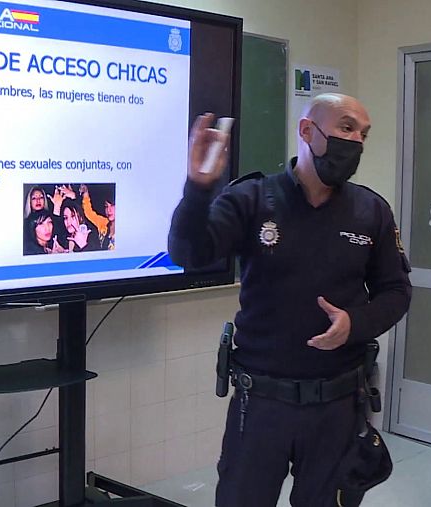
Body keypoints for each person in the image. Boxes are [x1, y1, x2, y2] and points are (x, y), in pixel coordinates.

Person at [168, 93, 412, 506]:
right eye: (347, 128)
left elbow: (397, 291)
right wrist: (198, 189)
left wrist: (356, 323)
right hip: (262, 403)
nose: (357, 142)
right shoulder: (252, 199)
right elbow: (190, 255)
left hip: (338, 405)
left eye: (364, 134)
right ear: (306, 131)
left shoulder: (371, 211)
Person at [80, 184, 116, 250]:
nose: (109, 210)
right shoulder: (103, 222)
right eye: (106, 206)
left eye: (112, 205)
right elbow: (89, 212)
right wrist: (85, 193)